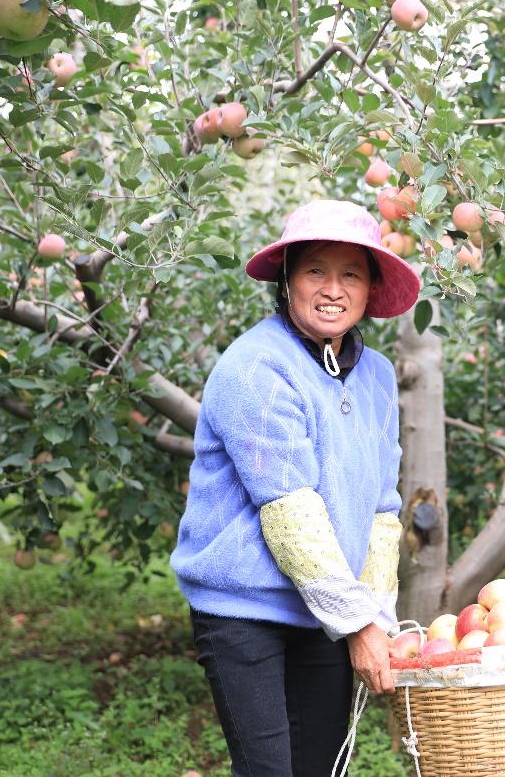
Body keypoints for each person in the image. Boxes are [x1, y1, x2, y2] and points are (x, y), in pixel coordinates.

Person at [169, 200, 421, 777]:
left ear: (369, 289)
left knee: (322, 767)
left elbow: (384, 505)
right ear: (287, 281)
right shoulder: (255, 367)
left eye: (351, 274)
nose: (333, 289)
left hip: (326, 612)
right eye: (315, 271)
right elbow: (289, 511)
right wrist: (359, 624)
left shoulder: (377, 374)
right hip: (245, 610)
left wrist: (376, 614)